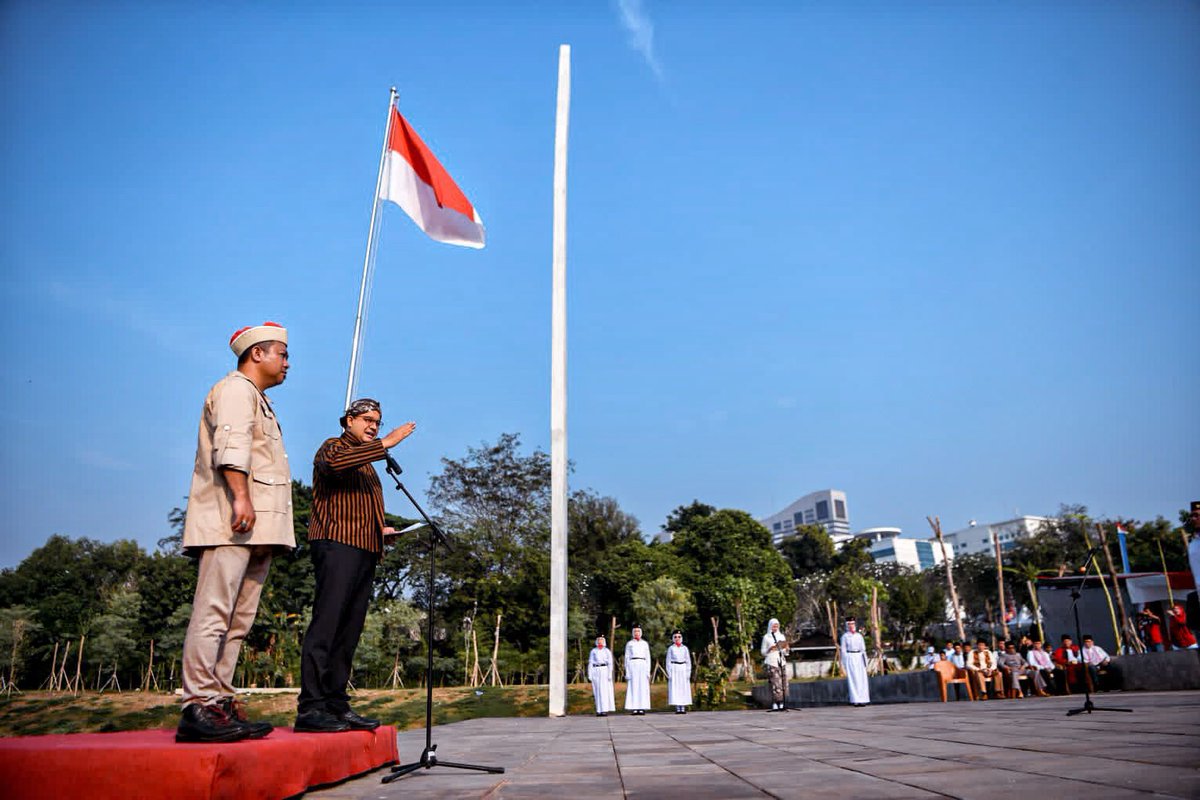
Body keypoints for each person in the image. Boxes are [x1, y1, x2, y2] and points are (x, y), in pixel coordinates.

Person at [176, 323, 294, 743]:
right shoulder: (234, 390)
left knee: (238, 620)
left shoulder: (258, 399)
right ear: (257, 353)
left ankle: (221, 701)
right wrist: (240, 497)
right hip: (232, 521)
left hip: (257, 525)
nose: (287, 362)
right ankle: (198, 705)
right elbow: (231, 447)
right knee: (214, 613)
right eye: (281, 354)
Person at [294, 398, 415, 733]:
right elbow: (333, 466)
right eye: (367, 420)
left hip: (365, 548)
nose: (373, 426)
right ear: (348, 421)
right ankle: (311, 708)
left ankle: (335, 703)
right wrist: (385, 443)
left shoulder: (368, 464)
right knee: (327, 625)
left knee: (349, 631)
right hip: (336, 545)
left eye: (378, 421)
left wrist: (383, 531)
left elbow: (360, 507)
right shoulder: (334, 447)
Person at [760, 617, 789, 711]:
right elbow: (763, 652)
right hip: (772, 662)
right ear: (770, 626)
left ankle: (782, 702)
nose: (775, 627)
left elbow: (784, 651)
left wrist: (786, 649)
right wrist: (769, 649)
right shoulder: (766, 637)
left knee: (784, 683)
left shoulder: (781, 636)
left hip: (781, 661)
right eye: (773, 626)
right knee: (775, 683)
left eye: (776, 626)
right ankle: (776, 702)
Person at [840, 618, 869, 707]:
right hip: (851, 657)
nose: (851, 626)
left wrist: (865, 660)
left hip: (859, 657)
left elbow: (863, 649)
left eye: (853, 624)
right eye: (849, 624)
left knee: (862, 679)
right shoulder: (845, 637)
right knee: (854, 679)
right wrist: (844, 662)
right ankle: (855, 700)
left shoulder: (859, 636)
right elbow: (843, 650)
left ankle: (863, 699)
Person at [624, 624, 651, 715]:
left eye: (638, 631)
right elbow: (627, 658)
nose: (637, 633)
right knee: (633, 686)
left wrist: (648, 671)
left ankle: (642, 707)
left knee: (642, 687)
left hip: (642, 664)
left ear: (641, 632)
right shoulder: (629, 644)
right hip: (633, 664)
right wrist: (627, 671)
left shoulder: (645, 643)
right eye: (635, 631)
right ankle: (634, 707)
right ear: (633, 633)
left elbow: (648, 658)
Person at [588, 635, 615, 716]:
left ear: (604, 641)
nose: (600, 641)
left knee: (604, 691)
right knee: (597, 690)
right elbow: (591, 663)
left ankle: (604, 710)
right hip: (596, 670)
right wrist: (590, 674)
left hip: (604, 670)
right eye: (599, 640)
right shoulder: (593, 651)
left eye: (601, 640)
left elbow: (610, 663)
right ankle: (598, 710)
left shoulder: (607, 651)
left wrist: (610, 674)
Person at [666, 630, 693, 714]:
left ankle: (683, 706)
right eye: (675, 637)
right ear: (673, 638)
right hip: (674, 668)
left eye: (679, 637)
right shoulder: (671, 648)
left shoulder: (685, 648)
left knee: (683, 687)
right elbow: (668, 661)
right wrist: (669, 672)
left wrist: (688, 672)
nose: (677, 638)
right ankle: (678, 707)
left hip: (683, 668)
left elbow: (688, 661)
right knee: (676, 688)